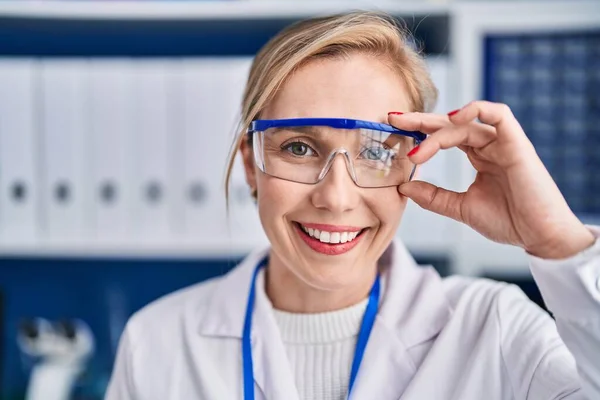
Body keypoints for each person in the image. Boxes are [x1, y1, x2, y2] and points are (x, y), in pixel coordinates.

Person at [105, 11, 600, 400]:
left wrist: (557, 241)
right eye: (299, 147)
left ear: (414, 162)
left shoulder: (493, 329)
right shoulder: (158, 344)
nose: (336, 198)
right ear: (252, 166)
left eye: (376, 151)